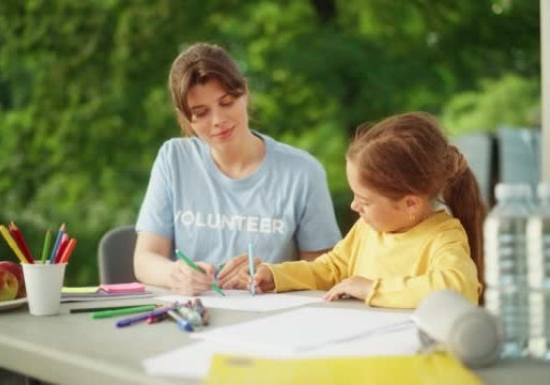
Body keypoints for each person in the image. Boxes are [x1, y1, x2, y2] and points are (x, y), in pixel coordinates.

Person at [133, 42, 341, 295]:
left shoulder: (303, 172)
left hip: (272, 321)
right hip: (195, 314)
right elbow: (145, 259)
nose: (218, 120)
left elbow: (327, 270)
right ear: (185, 117)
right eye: (201, 112)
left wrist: (274, 275)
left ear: (245, 92)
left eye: (227, 102)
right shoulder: (173, 159)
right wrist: (176, 274)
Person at [245, 112, 485, 308]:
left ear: (411, 203)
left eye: (365, 201)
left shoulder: (443, 238)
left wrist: (371, 289)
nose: (353, 206)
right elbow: (330, 268)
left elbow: (458, 287)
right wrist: (277, 275)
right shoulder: (366, 229)